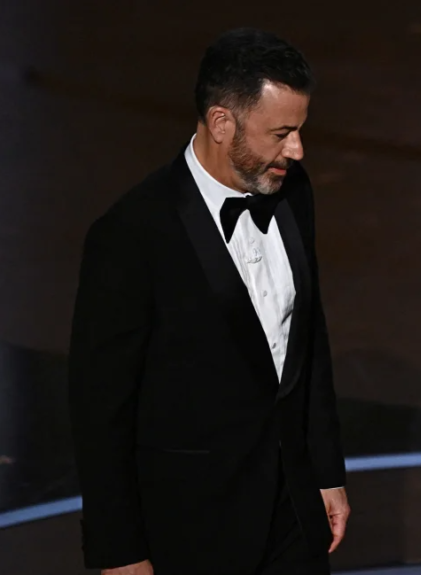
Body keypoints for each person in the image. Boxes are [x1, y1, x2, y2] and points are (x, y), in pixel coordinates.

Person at [68, 28, 350, 575]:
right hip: (192, 531)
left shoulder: (293, 191)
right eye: (282, 133)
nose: (297, 150)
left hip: (294, 516)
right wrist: (119, 553)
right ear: (222, 123)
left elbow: (307, 337)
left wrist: (325, 470)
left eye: (300, 131)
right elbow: (99, 411)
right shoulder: (131, 234)